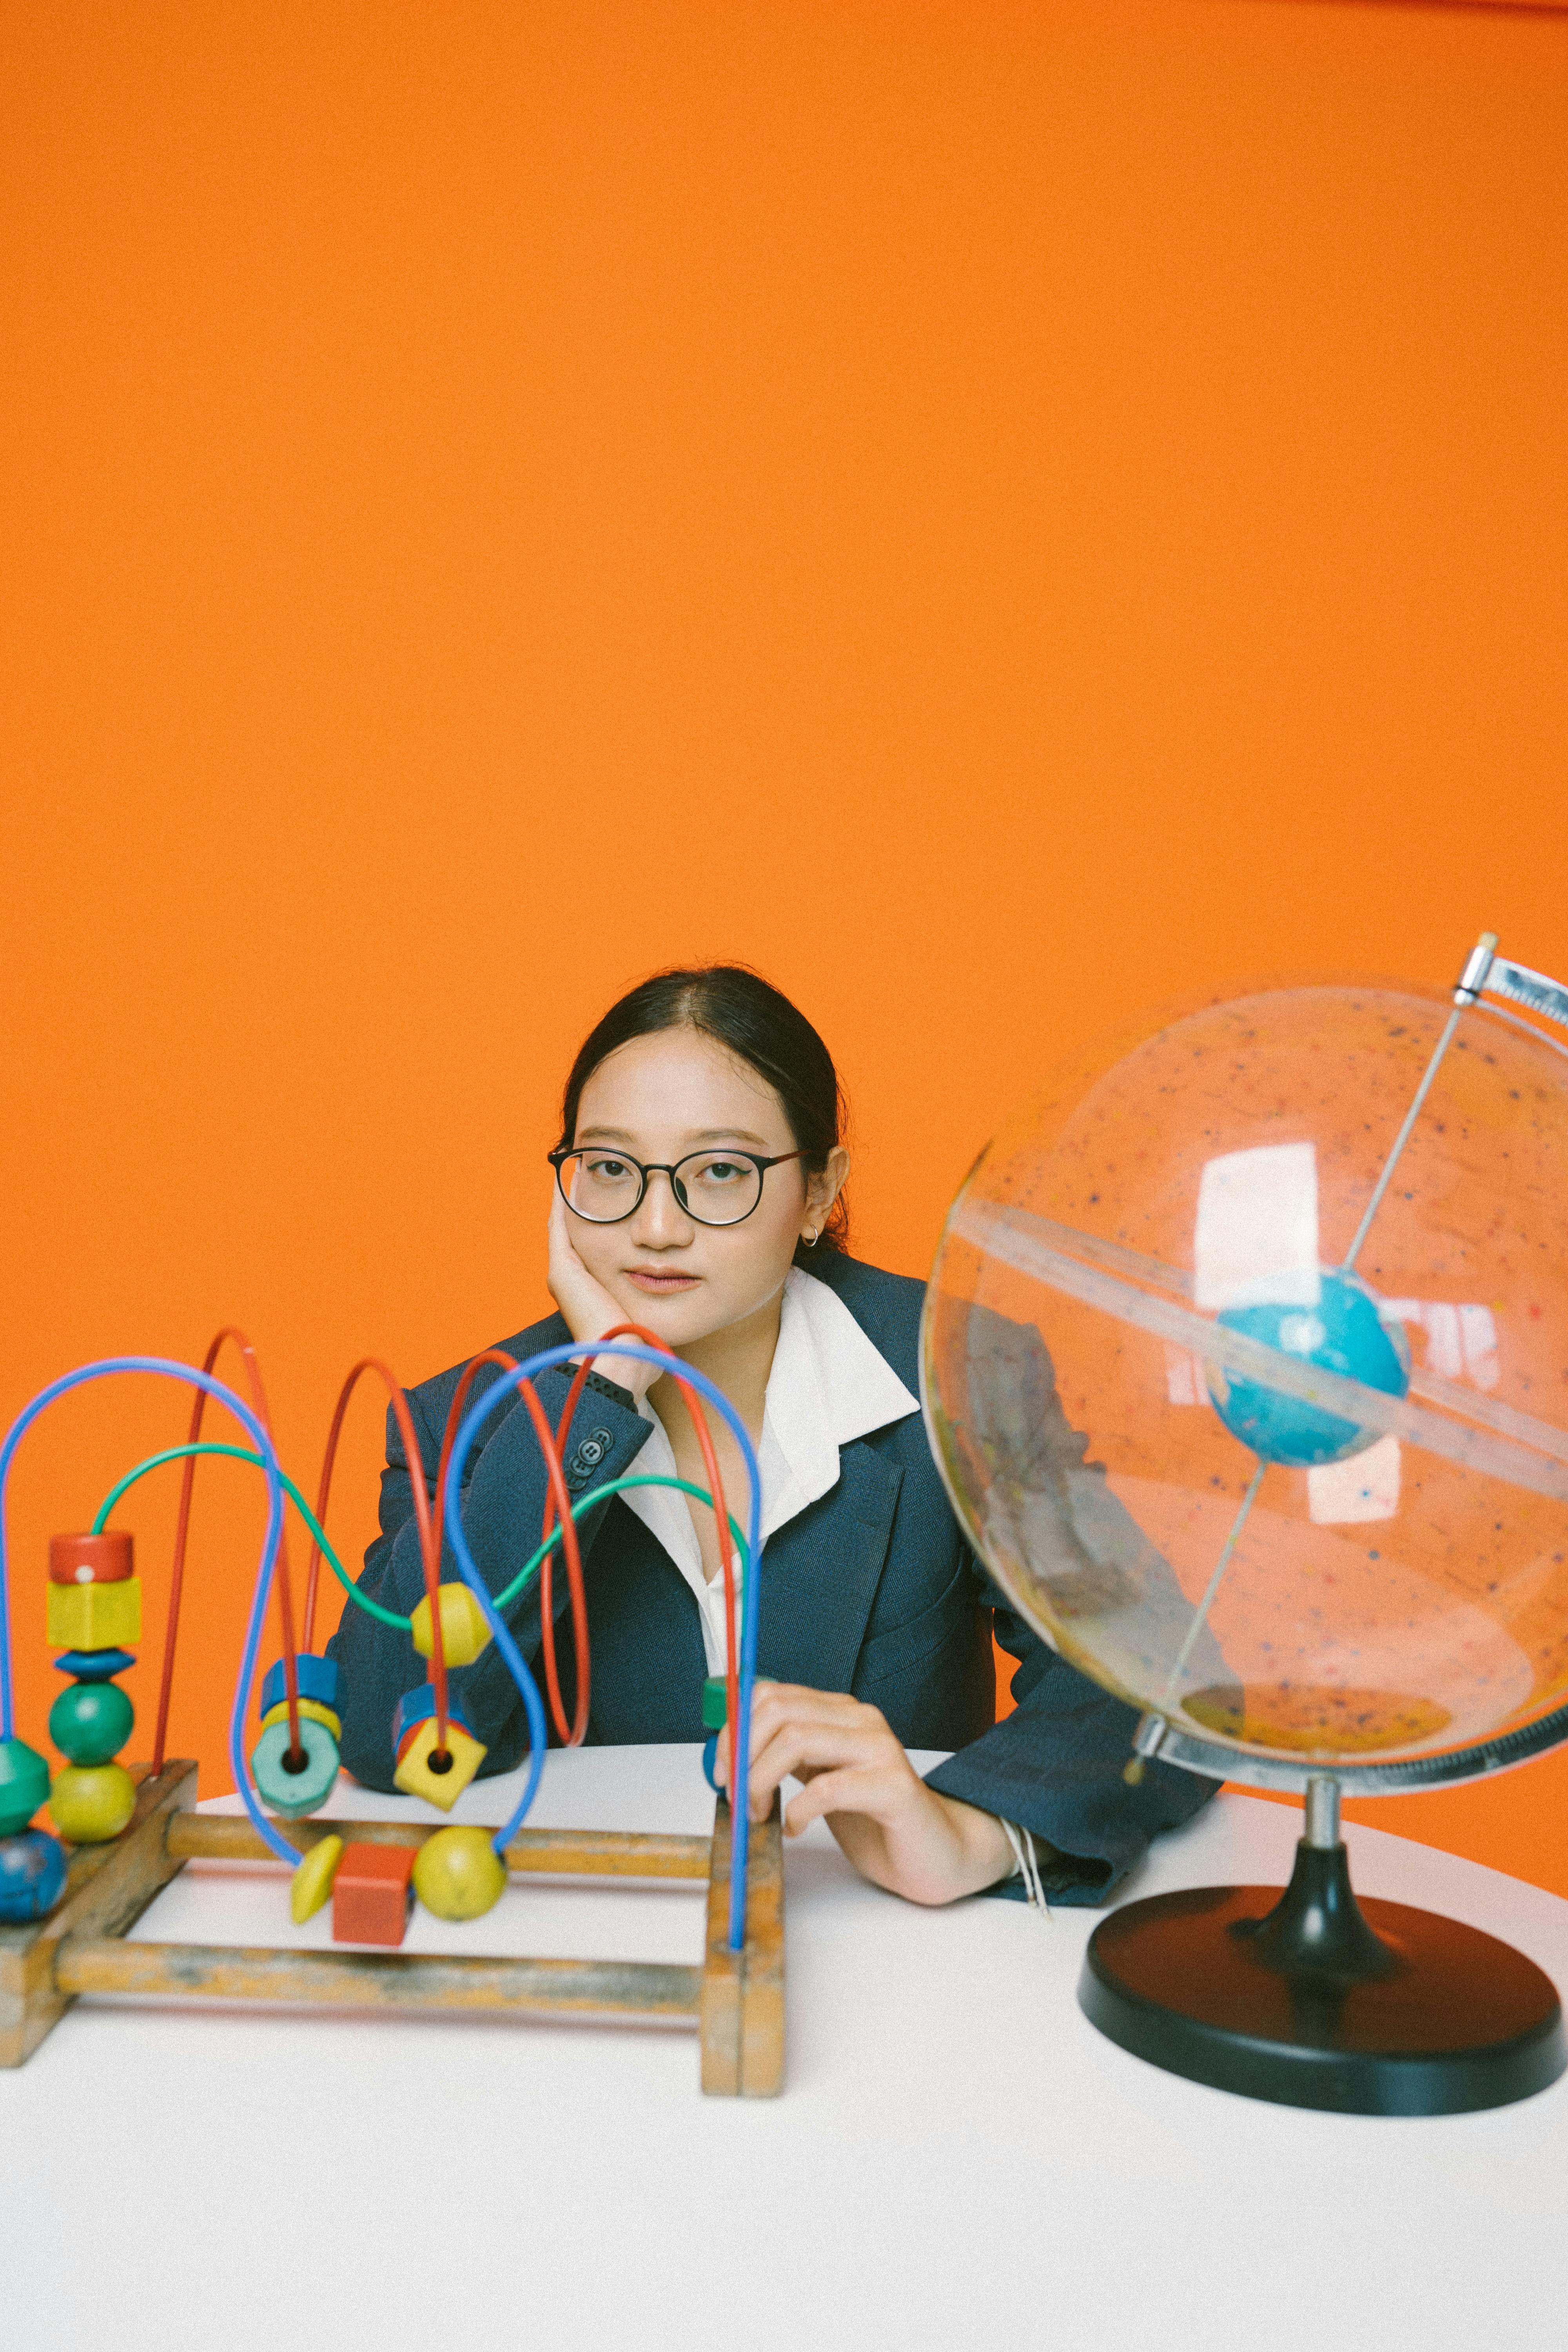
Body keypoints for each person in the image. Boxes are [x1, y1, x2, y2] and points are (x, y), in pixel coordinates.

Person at [330, 966, 1214, 1906]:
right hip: (596, 1927)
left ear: (818, 1190)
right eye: (610, 1170)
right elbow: (387, 1735)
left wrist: (975, 1832)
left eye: (720, 1171)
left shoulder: (957, 1369)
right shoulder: (467, 1421)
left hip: (896, 1946)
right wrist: (595, 1401)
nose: (656, 1227)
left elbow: (1155, 1678)